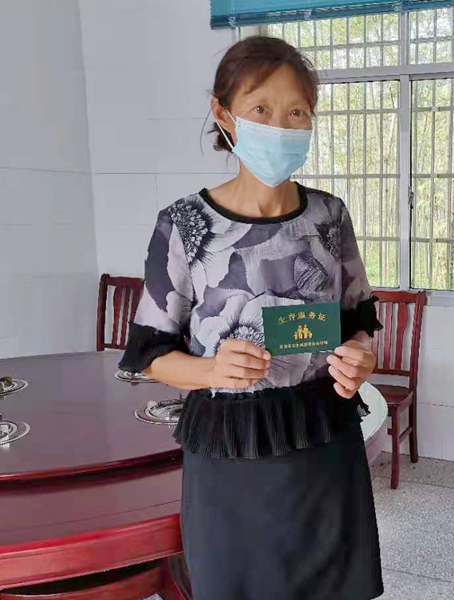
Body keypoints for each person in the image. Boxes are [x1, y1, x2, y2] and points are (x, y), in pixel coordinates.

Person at [119, 36, 383, 600]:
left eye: (297, 112)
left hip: (324, 441)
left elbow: (358, 320)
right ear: (223, 114)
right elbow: (150, 355)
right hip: (231, 451)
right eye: (261, 109)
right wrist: (211, 370)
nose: (280, 126)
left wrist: (360, 356)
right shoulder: (184, 226)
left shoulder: (330, 217)